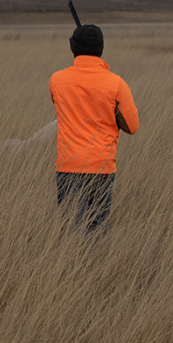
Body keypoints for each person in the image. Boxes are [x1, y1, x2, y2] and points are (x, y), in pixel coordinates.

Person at [49, 24, 139, 235]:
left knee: (71, 230)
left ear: (73, 48)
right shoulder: (116, 84)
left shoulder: (56, 80)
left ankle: (71, 266)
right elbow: (132, 127)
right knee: (97, 229)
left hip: (69, 164)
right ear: (101, 49)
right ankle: (93, 266)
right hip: (102, 165)